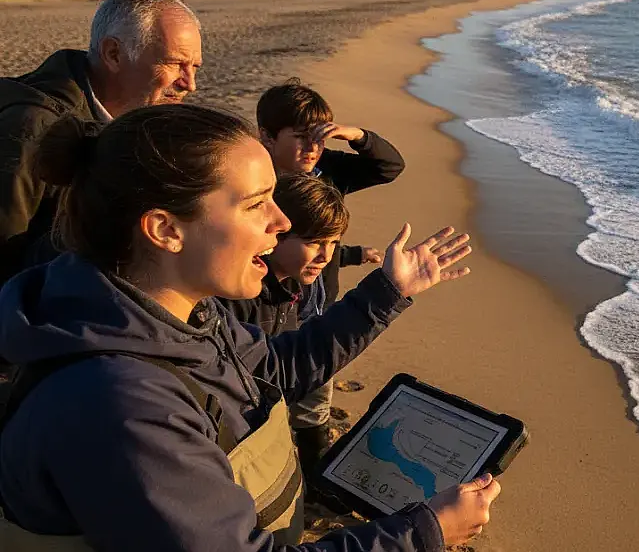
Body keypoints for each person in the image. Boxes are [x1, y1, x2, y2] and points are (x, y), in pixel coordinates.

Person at [0, 104, 498, 551]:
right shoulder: (122, 406)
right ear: (166, 230)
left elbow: (276, 367)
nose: (281, 221)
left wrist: (388, 290)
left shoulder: (179, 316)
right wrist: (422, 534)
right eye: (256, 203)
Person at [0, 0, 202, 284]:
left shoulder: (134, 123)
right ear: (114, 54)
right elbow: (6, 260)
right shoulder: (32, 127)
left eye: (195, 67)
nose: (190, 84)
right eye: (174, 63)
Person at [256, 80, 405, 461]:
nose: (312, 148)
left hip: (317, 300)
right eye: (302, 137)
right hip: (262, 301)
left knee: (315, 387)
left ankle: (312, 461)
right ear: (267, 137)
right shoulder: (252, 183)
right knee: (263, 376)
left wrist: (355, 135)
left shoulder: (328, 173)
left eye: (320, 138)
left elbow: (389, 166)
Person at [218, 172, 351, 483]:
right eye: (314, 241)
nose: (326, 255)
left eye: (332, 242)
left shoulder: (293, 286)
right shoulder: (237, 295)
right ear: (275, 233)